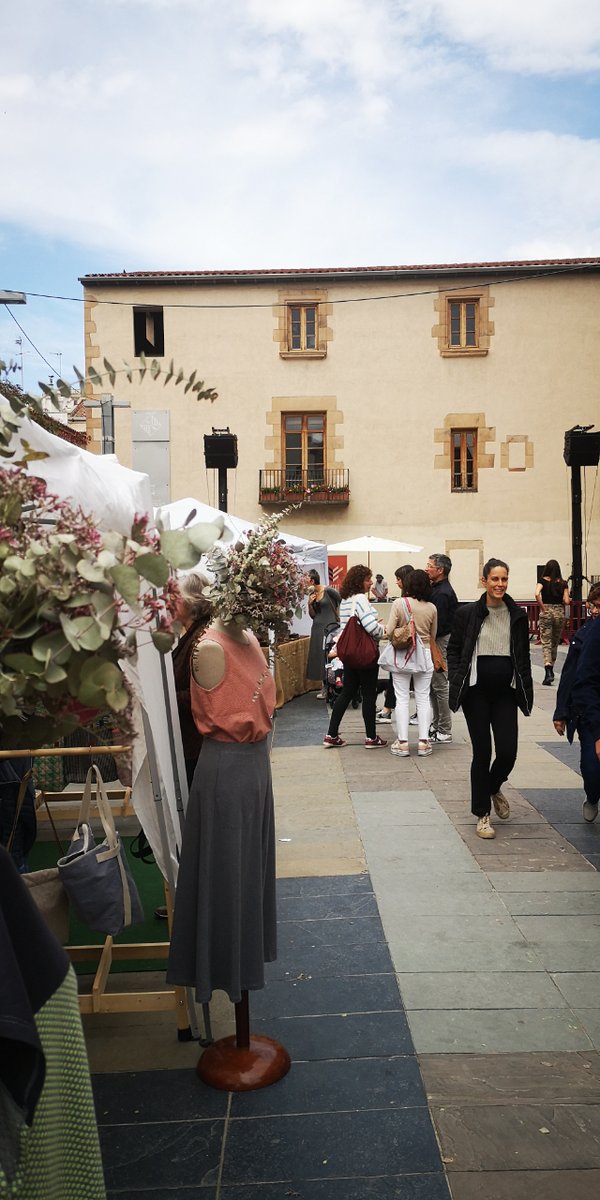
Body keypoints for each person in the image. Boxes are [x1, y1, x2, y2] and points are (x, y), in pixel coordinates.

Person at [167, 609, 278, 1004]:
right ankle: (226, 970)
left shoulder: (244, 634)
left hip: (251, 766)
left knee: (247, 872)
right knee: (226, 872)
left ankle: (241, 967)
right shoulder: (210, 646)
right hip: (228, 769)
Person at [447, 558, 533, 840]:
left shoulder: (517, 615)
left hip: (506, 693)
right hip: (476, 693)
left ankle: (493, 786)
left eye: (504, 579)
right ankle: (482, 814)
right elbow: (456, 648)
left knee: (508, 752)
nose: (499, 584)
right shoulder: (467, 613)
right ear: (484, 581)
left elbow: (522, 656)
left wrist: (525, 688)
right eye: (494, 579)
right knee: (482, 753)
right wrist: (456, 678)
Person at [323, 564, 387, 749]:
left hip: (350, 653)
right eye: (368, 579)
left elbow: (346, 627)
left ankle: (331, 734)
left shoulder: (346, 600)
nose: (371, 583)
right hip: (365, 655)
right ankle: (371, 737)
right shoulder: (360, 599)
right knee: (368, 694)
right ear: (360, 581)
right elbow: (371, 628)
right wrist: (383, 629)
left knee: (347, 692)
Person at [554, 584, 600, 822]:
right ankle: (592, 796)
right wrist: (561, 711)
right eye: (594, 606)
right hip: (589, 711)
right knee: (591, 767)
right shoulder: (585, 635)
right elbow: (573, 676)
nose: (595, 611)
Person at [386, 569, 437, 757]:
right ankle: (424, 742)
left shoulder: (400, 603)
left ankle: (403, 743)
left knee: (402, 698)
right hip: (424, 655)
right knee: (423, 698)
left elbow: (390, 630)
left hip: (403, 655)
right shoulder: (432, 607)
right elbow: (432, 636)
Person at [172, 571, 213, 788]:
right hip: (193, 741)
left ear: (190, 602)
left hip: (196, 741)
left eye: (176, 597)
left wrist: (166, 697)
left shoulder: (200, 640)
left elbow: (203, 697)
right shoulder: (193, 635)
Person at [425, 553, 458, 742]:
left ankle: (444, 729)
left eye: (430, 566)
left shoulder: (443, 593)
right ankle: (437, 724)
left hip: (439, 642)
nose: (427, 568)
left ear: (440, 570)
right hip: (435, 640)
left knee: (439, 685)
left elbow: (440, 625)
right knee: (433, 686)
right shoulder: (437, 589)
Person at [378, 564, 414, 724]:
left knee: (396, 678)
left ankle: (388, 710)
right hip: (416, 646)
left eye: (399, 579)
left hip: (401, 645)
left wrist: (381, 630)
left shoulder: (400, 602)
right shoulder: (422, 600)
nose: (397, 583)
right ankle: (389, 708)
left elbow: (391, 629)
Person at [305, 569, 340, 697]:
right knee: (319, 656)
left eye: (305, 578)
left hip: (330, 627)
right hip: (317, 627)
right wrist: (310, 604)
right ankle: (325, 686)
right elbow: (313, 615)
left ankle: (333, 684)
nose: (303, 581)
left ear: (312, 580)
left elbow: (341, 600)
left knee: (329, 654)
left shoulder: (328, 590)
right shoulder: (312, 594)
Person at [535, 560, 570, 685]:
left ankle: (548, 670)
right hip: (559, 613)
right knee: (555, 642)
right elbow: (566, 601)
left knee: (546, 642)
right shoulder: (563, 583)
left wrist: (543, 608)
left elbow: (536, 593)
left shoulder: (542, 581)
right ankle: (551, 670)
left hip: (546, 612)